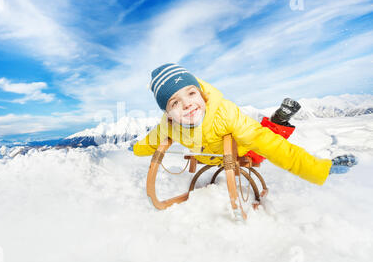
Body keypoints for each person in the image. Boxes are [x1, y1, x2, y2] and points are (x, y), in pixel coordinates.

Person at [131, 63, 357, 185]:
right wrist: (135, 150)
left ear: (202, 94)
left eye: (191, 93)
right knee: (257, 142)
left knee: (261, 146)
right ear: (168, 113)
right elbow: (150, 141)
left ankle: (280, 121)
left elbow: (268, 144)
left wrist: (317, 170)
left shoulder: (225, 113)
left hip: (240, 150)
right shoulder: (168, 126)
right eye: (175, 102)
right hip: (209, 157)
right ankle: (278, 120)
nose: (188, 104)